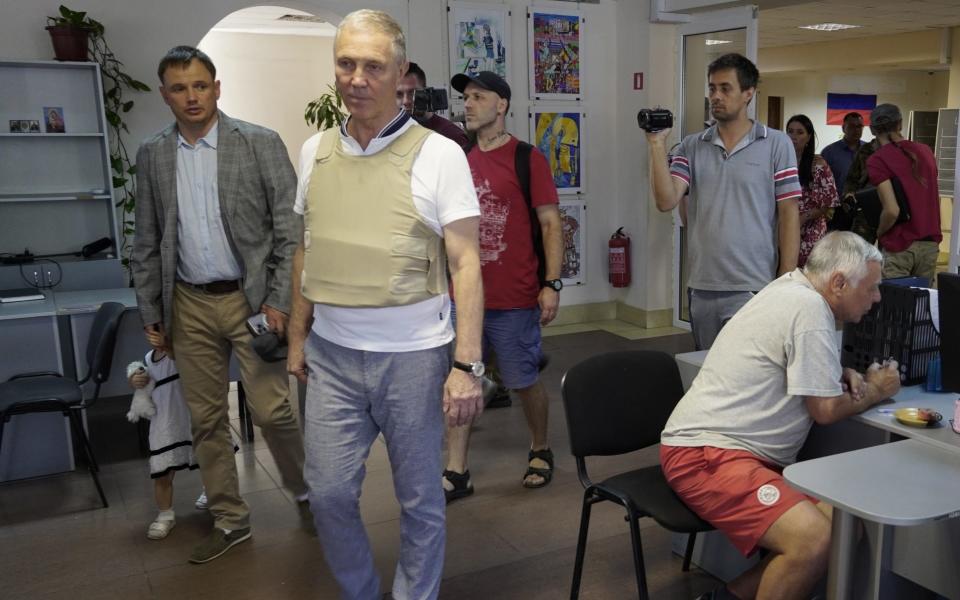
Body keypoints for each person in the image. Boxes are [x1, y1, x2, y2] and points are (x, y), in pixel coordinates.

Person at [286, 10, 484, 599]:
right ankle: (362, 592)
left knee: (420, 497)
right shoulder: (314, 151)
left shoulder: (439, 154)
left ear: (400, 73)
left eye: (373, 66)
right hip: (333, 356)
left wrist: (466, 366)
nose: (357, 78)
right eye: (346, 64)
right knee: (327, 492)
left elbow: (466, 263)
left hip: (414, 358)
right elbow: (306, 252)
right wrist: (298, 338)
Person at [131, 45, 309, 564]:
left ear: (217, 88)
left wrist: (279, 300)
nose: (192, 96)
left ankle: (307, 496)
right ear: (165, 95)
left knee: (273, 412)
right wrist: (152, 313)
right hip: (187, 303)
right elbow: (146, 238)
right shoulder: (153, 154)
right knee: (206, 420)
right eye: (180, 88)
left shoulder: (257, 143)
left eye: (200, 85)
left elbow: (290, 230)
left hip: (249, 301)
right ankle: (231, 519)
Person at [661, 231, 901, 600]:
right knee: (815, 540)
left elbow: (787, 360)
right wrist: (876, 391)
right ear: (838, 283)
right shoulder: (809, 310)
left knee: (844, 526)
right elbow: (823, 410)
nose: (877, 297)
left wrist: (835, 373)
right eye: (871, 288)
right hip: (706, 454)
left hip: (733, 453)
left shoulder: (793, 289)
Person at [442, 71, 563, 501]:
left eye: (478, 96)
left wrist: (550, 283)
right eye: (466, 97)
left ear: (502, 105)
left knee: (523, 378)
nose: (468, 104)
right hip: (464, 298)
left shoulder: (527, 158)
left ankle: (540, 448)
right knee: (461, 380)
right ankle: (457, 471)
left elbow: (550, 224)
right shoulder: (458, 160)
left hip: (514, 299)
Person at [646, 53, 801, 350]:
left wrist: (785, 280)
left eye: (725, 88)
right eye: (712, 88)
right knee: (708, 372)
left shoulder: (776, 144)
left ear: (748, 93)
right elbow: (666, 201)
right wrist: (656, 145)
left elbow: (789, 213)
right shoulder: (692, 145)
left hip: (753, 285)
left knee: (749, 375)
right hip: (703, 285)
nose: (715, 96)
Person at [127, 329, 206, 540]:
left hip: (191, 417)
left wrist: (170, 347)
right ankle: (165, 514)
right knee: (162, 473)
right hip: (166, 424)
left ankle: (213, 491)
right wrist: (135, 380)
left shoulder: (186, 350)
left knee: (208, 458)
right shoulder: (148, 359)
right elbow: (142, 381)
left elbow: (192, 366)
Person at [867, 103, 942, 282]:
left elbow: (892, 210)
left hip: (899, 243)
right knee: (922, 306)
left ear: (872, 130)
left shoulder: (877, 159)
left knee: (896, 306)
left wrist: (879, 231)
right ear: (900, 124)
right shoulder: (926, 151)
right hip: (930, 240)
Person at [785, 114, 839, 267]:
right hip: (784, 223)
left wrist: (802, 218)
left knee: (809, 272)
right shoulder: (780, 162)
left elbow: (829, 202)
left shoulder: (818, 165)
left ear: (808, 138)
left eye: (800, 132)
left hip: (810, 228)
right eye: (790, 131)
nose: (793, 136)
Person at [396, 61, 470, 149]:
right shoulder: (393, 133)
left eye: (412, 93)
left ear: (426, 92)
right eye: (399, 94)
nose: (405, 101)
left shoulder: (452, 135)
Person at [821, 111, 865, 190]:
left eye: (859, 126)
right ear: (843, 128)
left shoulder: (870, 150)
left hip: (866, 199)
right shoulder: (828, 152)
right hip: (838, 201)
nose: (856, 130)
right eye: (851, 126)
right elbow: (821, 181)